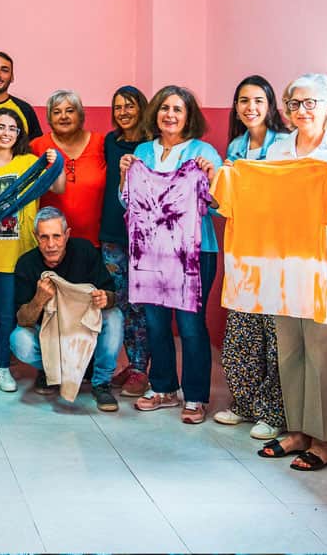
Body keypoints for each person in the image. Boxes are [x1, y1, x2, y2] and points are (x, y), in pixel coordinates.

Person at [258, 74, 327, 471]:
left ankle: (325, 441)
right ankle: (298, 431)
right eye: (295, 103)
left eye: (310, 103)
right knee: (290, 349)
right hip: (286, 260)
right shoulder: (278, 150)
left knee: (326, 351)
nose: (301, 110)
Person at [119, 85, 222, 425]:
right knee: (155, 322)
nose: (170, 115)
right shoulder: (143, 152)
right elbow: (127, 202)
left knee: (191, 325)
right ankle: (163, 387)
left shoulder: (203, 153)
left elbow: (219, 206)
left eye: (178, 109)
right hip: (150, 252)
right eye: (165, 108)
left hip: (195, 252)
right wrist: (124, 175)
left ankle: (195, 395)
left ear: (189, 116)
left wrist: (211, 179)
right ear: (156, 113)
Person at [0, 108, 63, 392]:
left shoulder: (29, 163)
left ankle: (3, 367)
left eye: (12, 128)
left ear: (19, 134)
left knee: (8, 315)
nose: (6, 133)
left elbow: (58, 187)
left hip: (19, 255)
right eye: (0, 127)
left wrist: (56, 161)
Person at [213, 75, 289, 439]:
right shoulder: (236, 147)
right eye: (244, 100)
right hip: (242, 250)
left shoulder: (285, 146)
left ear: (270, 105)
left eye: (258, 100)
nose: (251, 107)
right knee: (242, 331)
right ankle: (244, 404)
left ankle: (272, 412)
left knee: (274, 336)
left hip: (276, 253)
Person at [10, 207, 123, 412]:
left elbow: (113, 296)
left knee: (114, 316)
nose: (51, 244)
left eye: (56, 236)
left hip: (82, 334)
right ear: (36, 237)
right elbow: (23, 320)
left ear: (67, 234)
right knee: (19, 340)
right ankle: (52, 371)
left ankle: (101, 383)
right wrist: (39, 299)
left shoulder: (85, 251)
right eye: (44, 237)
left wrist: (105, 298)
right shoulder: (27, 264)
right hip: (50, 338)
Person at [100, 85, 151, 398]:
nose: (123, 112)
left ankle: (140, 369)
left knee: (140, 305)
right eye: (118, 107)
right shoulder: (110, 141)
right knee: (119, 302)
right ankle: (129, 365)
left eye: (129, 106)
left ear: (141, 108)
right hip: (111, 233)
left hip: (143, 237)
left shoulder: (152, 145)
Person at [30, 89, 107, 246]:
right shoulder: (36, 147)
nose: (63, 116)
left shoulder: (102, 143)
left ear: (80, 115)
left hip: (94, 242)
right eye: (56, 112)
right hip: (50, 244)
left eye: (70, 111)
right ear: (49, 118)